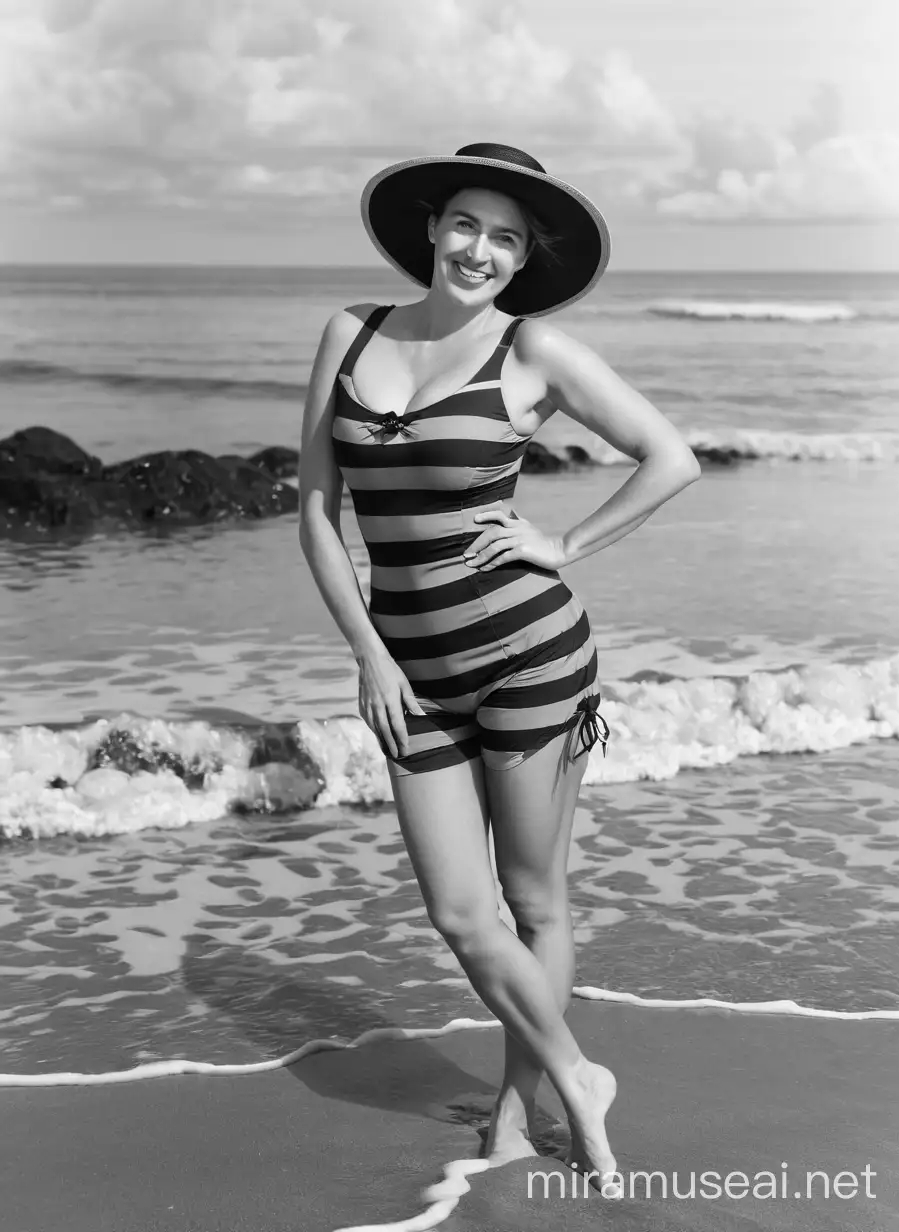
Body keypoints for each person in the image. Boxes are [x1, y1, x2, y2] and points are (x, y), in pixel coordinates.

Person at [298, 143, 700, 1191]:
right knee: (458, 913)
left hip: (531, 656)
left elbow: (670, 456)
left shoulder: (534, 353)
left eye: (508, 238)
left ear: (524, 261)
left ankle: (516, 1121)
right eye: (468, 224)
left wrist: (565, 543)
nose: (482, 249)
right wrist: (369, 654)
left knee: (533, 903)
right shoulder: (353, 333)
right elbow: (314, 508)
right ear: (432, 228)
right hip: (410, 671)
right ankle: (581, 1075)